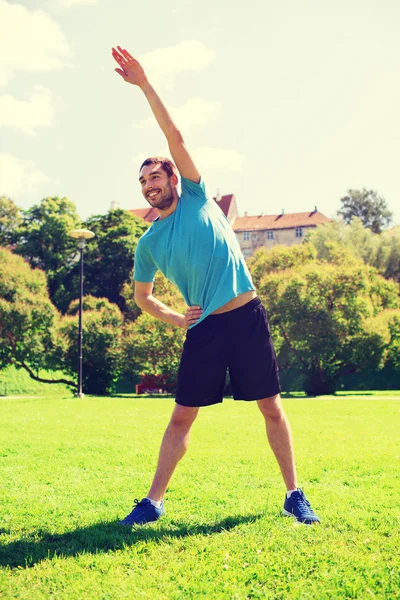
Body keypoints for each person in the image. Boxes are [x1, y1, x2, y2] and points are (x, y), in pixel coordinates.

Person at [112, 46, 320, 526]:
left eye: (156, 176)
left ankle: (294, 494)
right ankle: (152, 502)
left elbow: (174, 134)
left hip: (247, 318)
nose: (149, 185)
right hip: (203, 330)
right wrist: (172, 316)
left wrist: (144, 84)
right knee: (182, 417)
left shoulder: (199, 196)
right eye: (142, 181)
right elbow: (143, 297)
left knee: (271, 407)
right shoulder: (149, 242)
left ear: (174, 179)